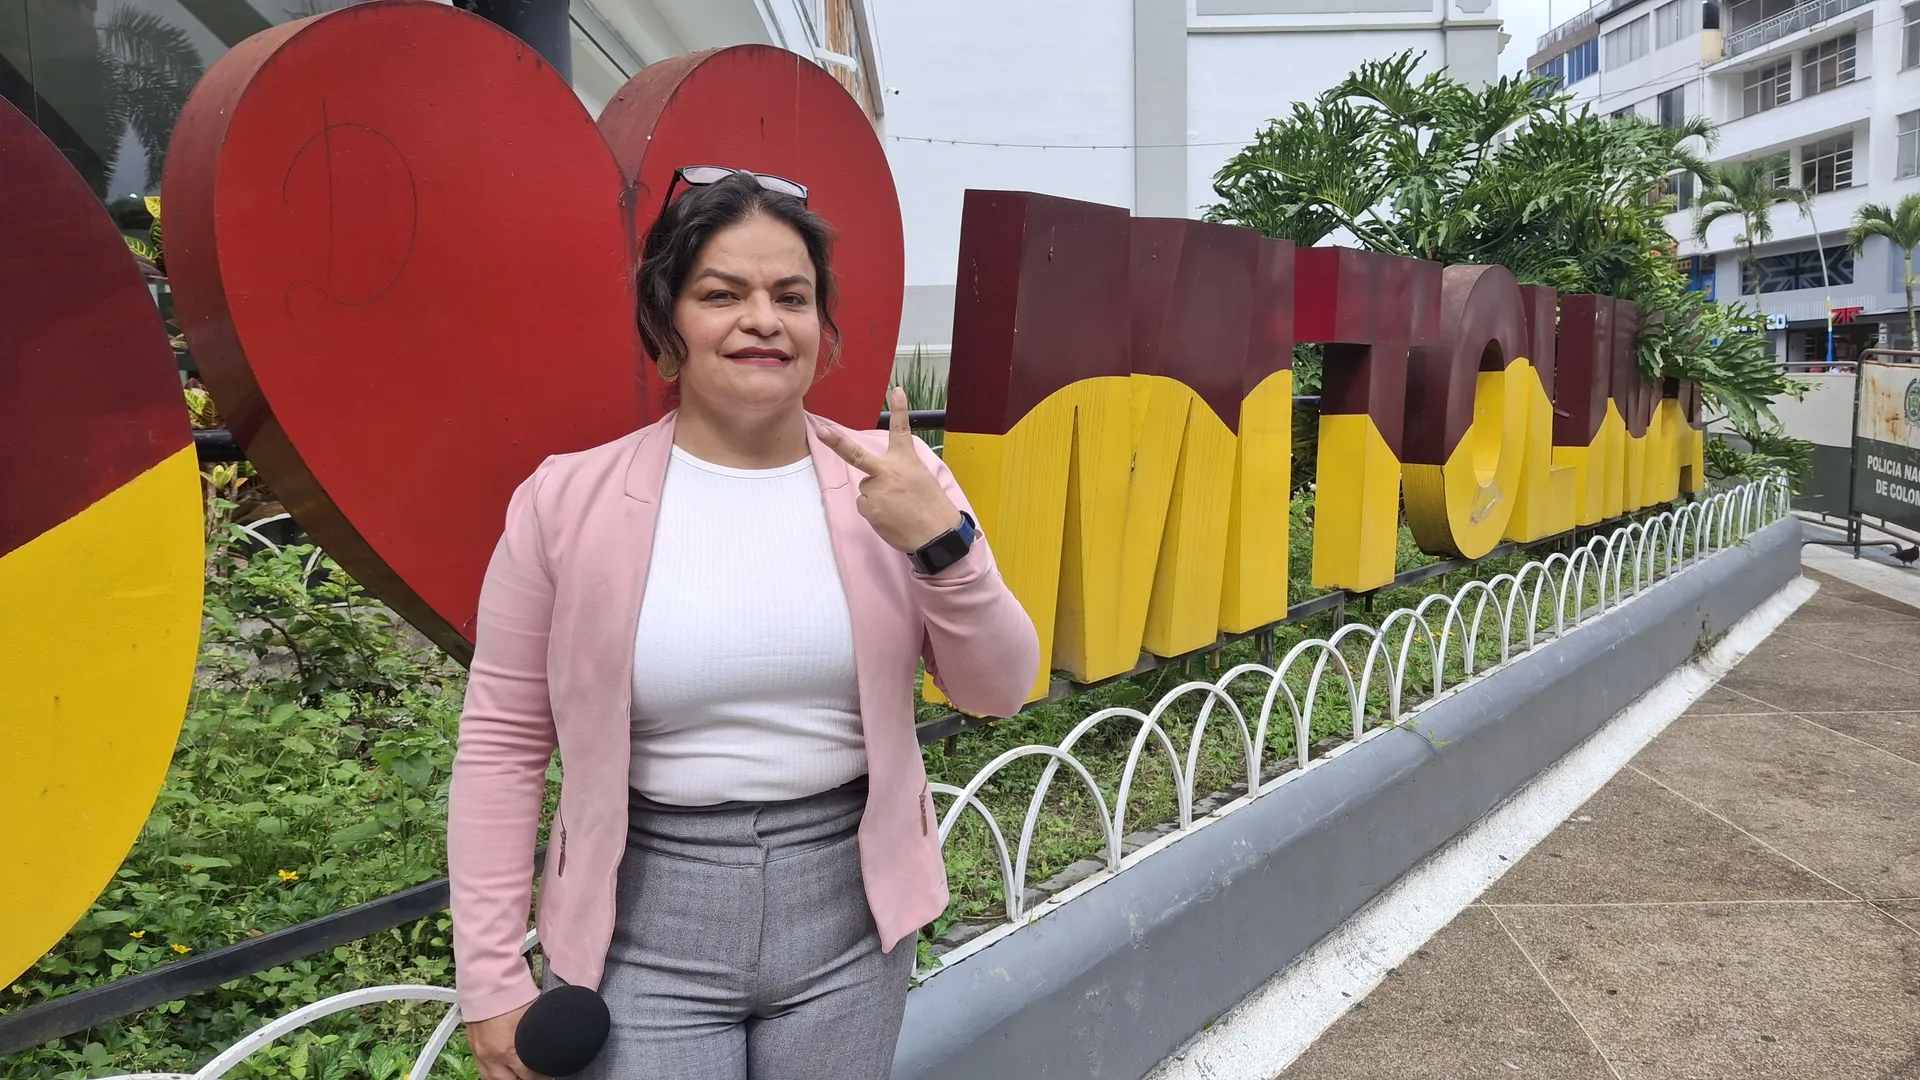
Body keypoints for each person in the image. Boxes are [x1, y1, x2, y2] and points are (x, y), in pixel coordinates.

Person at [447, 167, 1041, 1080]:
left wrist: (941, 544)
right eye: (721, 294)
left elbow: (998, 689)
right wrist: (490, 978)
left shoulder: (898, 482)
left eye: (791, 297)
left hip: (853, 914)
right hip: (641, 921)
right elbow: (502, 741)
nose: (762, 320)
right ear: (668, 322)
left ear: (820, 326)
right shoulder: (565, 501)